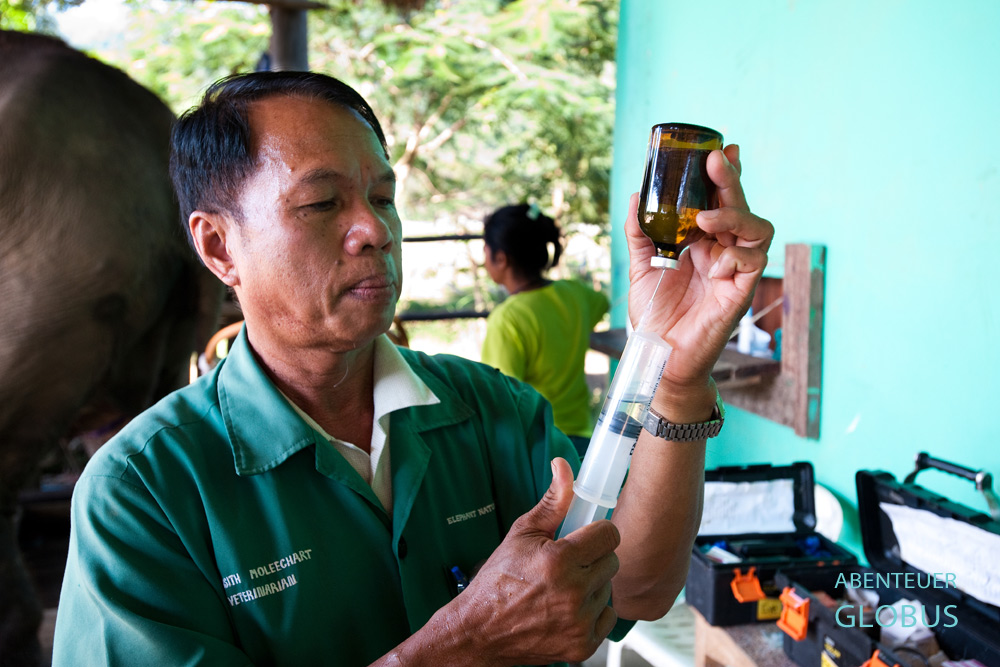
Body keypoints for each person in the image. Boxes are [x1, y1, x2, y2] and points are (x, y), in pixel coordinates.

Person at [52, 71, 772, 666]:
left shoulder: (489, 411)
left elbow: (639, 585)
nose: (374, 229)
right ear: (218, 247)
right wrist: (463, 644)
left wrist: (675, 378)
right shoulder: (143, 493)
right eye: (322, 201)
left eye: (383, 197)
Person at [480, 203, 609, 456]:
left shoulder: (507, 319)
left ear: (501, 258)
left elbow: (500, 400)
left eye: (485, 251)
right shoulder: (574, 294)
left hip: (537, 446)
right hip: (582, 439)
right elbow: (602, 303)